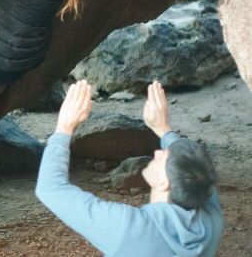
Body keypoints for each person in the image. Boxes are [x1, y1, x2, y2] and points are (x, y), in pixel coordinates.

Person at [36, 80, 224, 256]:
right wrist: (163, 129)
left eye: (163, 157)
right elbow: (201, 173)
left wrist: (64, 128)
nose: (158, 153)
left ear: (164, 181)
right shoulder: (210, 219)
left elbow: (50, 188)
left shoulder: (128, 229)